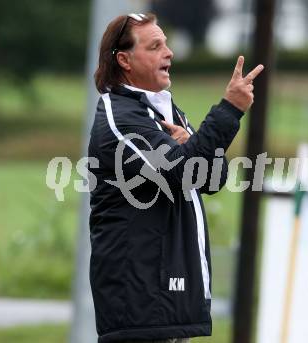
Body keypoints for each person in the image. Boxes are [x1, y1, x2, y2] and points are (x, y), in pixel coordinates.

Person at [88, 12, 263, 343]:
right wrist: (229, 110)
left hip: (166, 303)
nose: (168, 53)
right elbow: (183, 172)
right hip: (140, 307)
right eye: (155, 46)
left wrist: (195, 144)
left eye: (166, 44)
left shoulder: (164, 110)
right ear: (124, 60)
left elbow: (211, 179)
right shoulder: (120, 118)